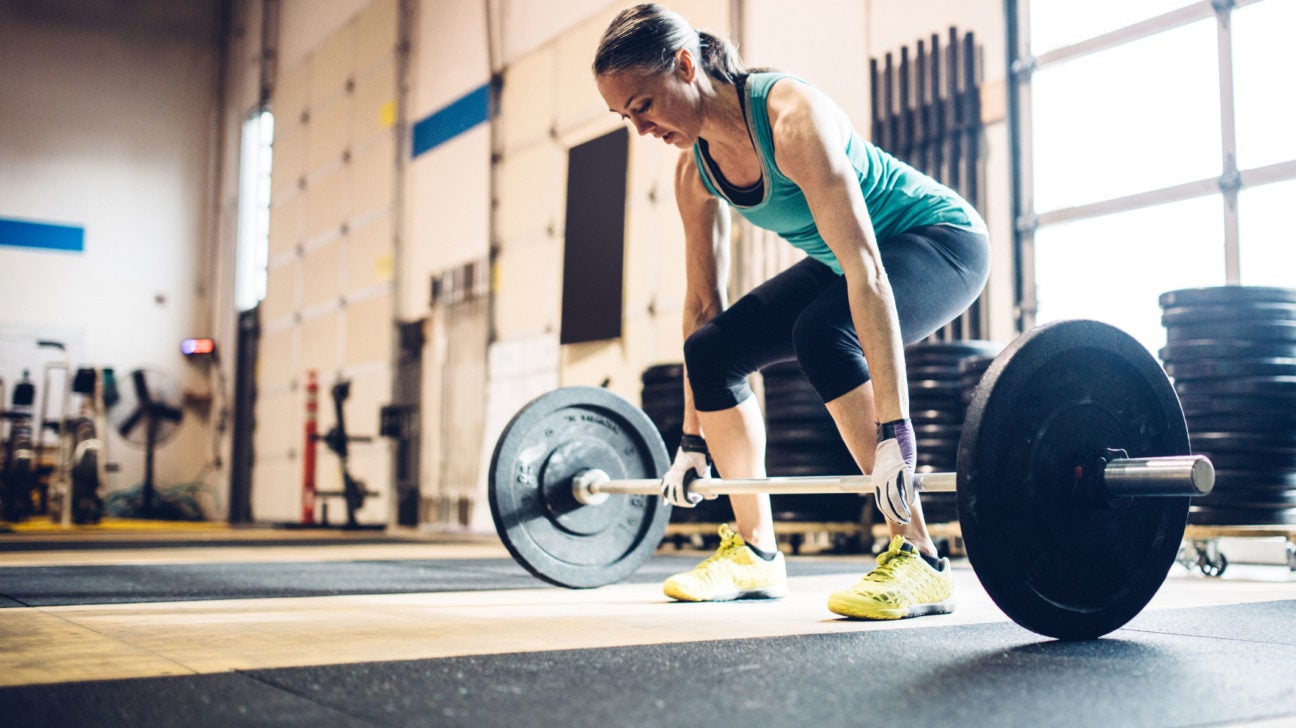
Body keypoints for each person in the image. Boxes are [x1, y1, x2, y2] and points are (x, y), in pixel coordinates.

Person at [593, 4, 989, 620]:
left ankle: (919, 557)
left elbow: (867, 271)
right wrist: (692, 439)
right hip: (850, 262)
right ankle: (756, 552)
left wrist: (896, 435)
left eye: (643, 104)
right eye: (625, 115)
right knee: (711, 351)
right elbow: (702, 305)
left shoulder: (791, 119)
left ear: (684, 64)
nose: (639, 128)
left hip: (939, 239)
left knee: (824, 333)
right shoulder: (693, 171)